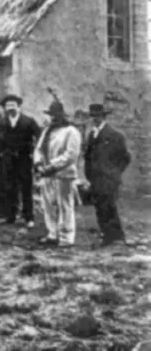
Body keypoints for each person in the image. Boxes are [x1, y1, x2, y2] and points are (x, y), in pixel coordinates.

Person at [80, 104, 132, 247]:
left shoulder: (115, 135)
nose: (95, 119)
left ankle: (116, 237)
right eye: (93, 117)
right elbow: (88, 157)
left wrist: (115, 172)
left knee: (109, 206)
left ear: (104, 117)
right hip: (95, 178)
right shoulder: (92, 135)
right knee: (100, 207)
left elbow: (125, 158)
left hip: (109, 179)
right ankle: (106, 236)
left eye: (98, 116)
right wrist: (88, 174)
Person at [33, 100, 82, 248]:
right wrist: (39, 163)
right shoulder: (47, 131)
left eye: (57, 115)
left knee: (64, 205)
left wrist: (53, 166)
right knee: (48, 205)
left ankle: (66, 237)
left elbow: (71, 155)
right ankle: (52, 233)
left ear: (63, 116)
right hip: (46, 174)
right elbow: (38, 149)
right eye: (52, 115)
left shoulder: (71, 132)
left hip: (63, 174)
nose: (54, 118)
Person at [0, 95, 41, 227]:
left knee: (26, 187)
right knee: (9, 187)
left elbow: (40, 137)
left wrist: (34, 152)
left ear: (19, 106)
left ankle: (29, 217)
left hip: (24, 159)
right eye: (7, 106)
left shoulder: (28, 121)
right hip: (8, 160)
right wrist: (1, 153)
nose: (10, 108)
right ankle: (11, 215)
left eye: (13, 105)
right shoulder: (1, 123)